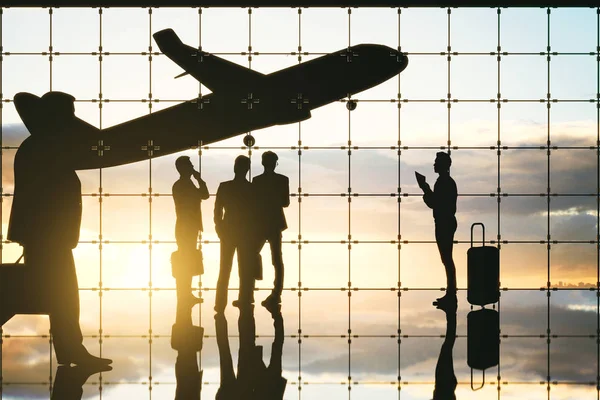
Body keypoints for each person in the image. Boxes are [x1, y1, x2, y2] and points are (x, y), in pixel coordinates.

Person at [6, 92, 112, 367]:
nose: (72, 121)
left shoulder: (42, 145)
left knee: (59, 295)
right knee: (61, 296)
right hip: (47, 238)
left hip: (48, 237)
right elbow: (98, 142)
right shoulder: (47, 148)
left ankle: (71, 350)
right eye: (69, 114)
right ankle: (71, 350)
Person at [214, 155, 259, 312]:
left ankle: (220, 304)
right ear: (247, 169)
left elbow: (217, 211)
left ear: (235, 167)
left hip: (228, 232)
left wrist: (219, 229)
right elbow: (255, 213)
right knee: (244, 269)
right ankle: (244, 299)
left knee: (224, 269)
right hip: (245, 233)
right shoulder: (252, 189)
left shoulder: (224, 186)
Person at [417, 152, 458, 309]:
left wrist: (425, 189)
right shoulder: (446, 182)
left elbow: (436, 204)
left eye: (436, 162)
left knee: (447, 259)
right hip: (446, 222)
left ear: (443, 165)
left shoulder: (443, 183)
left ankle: (451, 294)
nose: (434, 165)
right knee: (447, 259)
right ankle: (451, 293)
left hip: (444, 223)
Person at [172, 156, 209, 319]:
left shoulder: (184, 184)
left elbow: (204, 195)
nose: (193, 167)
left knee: (187, 260)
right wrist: (199, 179)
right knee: (186, 260)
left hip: (188, 227)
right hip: (186, 227)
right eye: (190, 165)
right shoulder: (182, 185)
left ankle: (186, 293)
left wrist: (199, 179)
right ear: (184, 168)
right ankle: (184, 294)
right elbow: (204, 196)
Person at [252, 151, 289, 310]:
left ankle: (250, 288)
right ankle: (276, 293)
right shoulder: (282, 180)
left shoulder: (257, 181)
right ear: (274, 163)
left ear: (262, 163)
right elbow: (285, 203)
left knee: (252, 254)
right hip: (274, 223)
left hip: (260, 223)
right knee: (277, 260)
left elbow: (253, 203)